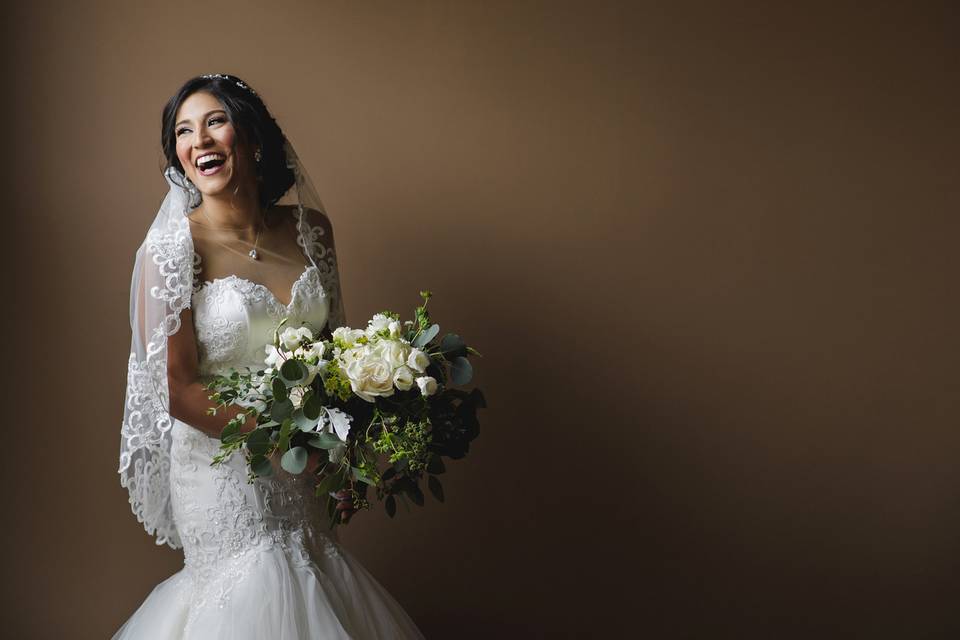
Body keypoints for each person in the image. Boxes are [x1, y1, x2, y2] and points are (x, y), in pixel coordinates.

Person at [114, 73, 425, 639]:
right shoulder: (170, 251)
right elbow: (177, 389)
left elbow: (335, 353)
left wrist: (346, 442)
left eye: (215, 122)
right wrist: (285, 437)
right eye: (183, 132)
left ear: (251, 137)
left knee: (310, 584)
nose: (199, 142)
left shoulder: (313, 232)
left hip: (303, 468)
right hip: (224, 467)